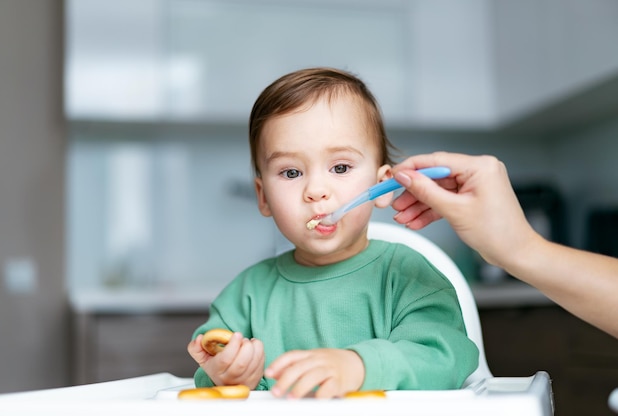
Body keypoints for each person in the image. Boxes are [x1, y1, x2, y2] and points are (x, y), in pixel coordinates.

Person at [187, 68, 479, 399]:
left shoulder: (410, 278)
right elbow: (210, 362)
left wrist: (360, 367)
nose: (316, 190)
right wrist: (225, 375)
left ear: (383, 186)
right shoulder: (245, 297)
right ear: (263, 196)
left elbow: (447, 357)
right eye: (291, 172)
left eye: (340, 168)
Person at [391, 151, 618, 339]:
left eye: (352, 167)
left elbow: (440, 353)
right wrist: (522, 250)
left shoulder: (405, 274)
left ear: (383, 181)